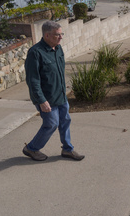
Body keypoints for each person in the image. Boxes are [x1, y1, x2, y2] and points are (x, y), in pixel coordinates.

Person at [22, 21, 84, 161]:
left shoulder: (58, 48)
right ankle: (31, 148)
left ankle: (68, 149)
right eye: (57, 35)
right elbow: (33, 80)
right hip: (47, 98)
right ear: (47, 35)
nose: (61, 37)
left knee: (65, 121)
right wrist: (41, 101)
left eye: (61, 34)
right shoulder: (35, 53)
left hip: (60, 95)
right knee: (51, 124)